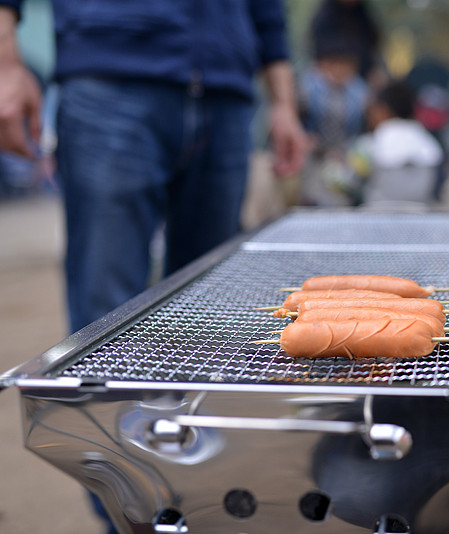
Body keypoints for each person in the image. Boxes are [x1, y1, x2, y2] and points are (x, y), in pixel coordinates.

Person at [0, 1, 306, 532]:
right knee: (105, 326)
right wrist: (5, 60)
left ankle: (201, 503)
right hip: (110, 79)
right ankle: (127, 515)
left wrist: (283, 101)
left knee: (210, 333)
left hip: (228, 92)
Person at [297, 34, 369, 206]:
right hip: (315, 154)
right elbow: (300, 118)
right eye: (337, 64)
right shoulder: (308, 87)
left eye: (347, 65)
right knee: (313, 197)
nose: (341, 71)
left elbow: (362, 128)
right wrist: (308, 138)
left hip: (345, 154)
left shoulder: (360, 92)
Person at [349, 81, 443, 206]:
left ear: (383, 110)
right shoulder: (426, 140)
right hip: (419, 214)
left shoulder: (368, 143)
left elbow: (350, 182)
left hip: (376, 214)